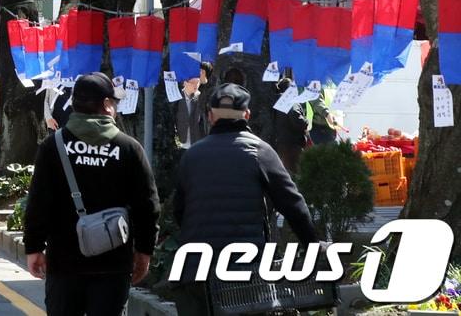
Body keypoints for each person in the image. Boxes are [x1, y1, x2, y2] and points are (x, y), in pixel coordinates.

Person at [171, 84, 319, 316]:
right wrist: (313, 248)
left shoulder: (192, 156)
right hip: (243, 274)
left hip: (194, 271)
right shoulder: (260, 151)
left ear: (210, 116)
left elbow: (179, 210)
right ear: (247, 115)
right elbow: (294, 207)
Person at [23, 73, 160, 316]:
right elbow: (147, 207)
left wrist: (34, 247)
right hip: (113, 265)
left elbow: (38, 203)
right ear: (107, 105)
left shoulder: (53, 146)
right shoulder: (128, 148)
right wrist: (144, 252)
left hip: (64, 264)